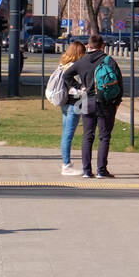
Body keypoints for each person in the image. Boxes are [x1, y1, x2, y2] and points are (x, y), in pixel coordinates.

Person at [63, 33, 124, 179]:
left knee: (87, 136)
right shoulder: (108, 61)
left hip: (86, 102)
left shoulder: (82, 61)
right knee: (104, 136)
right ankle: (101, 170)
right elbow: (119, 83)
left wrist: (79, 86)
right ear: (102, 46)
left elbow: (66, 76)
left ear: (88, 46)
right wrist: (117, 102)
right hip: (105, 103)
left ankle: (86, 171)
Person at [55, 42, 86, 176]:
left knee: (66, 134)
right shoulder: (74, 67)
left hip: (65, 103)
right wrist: (81, 87)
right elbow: (71, 84)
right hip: (73, 103)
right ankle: (66, 165)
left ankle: (67, 163)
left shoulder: (63, 64)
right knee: (68, 135)